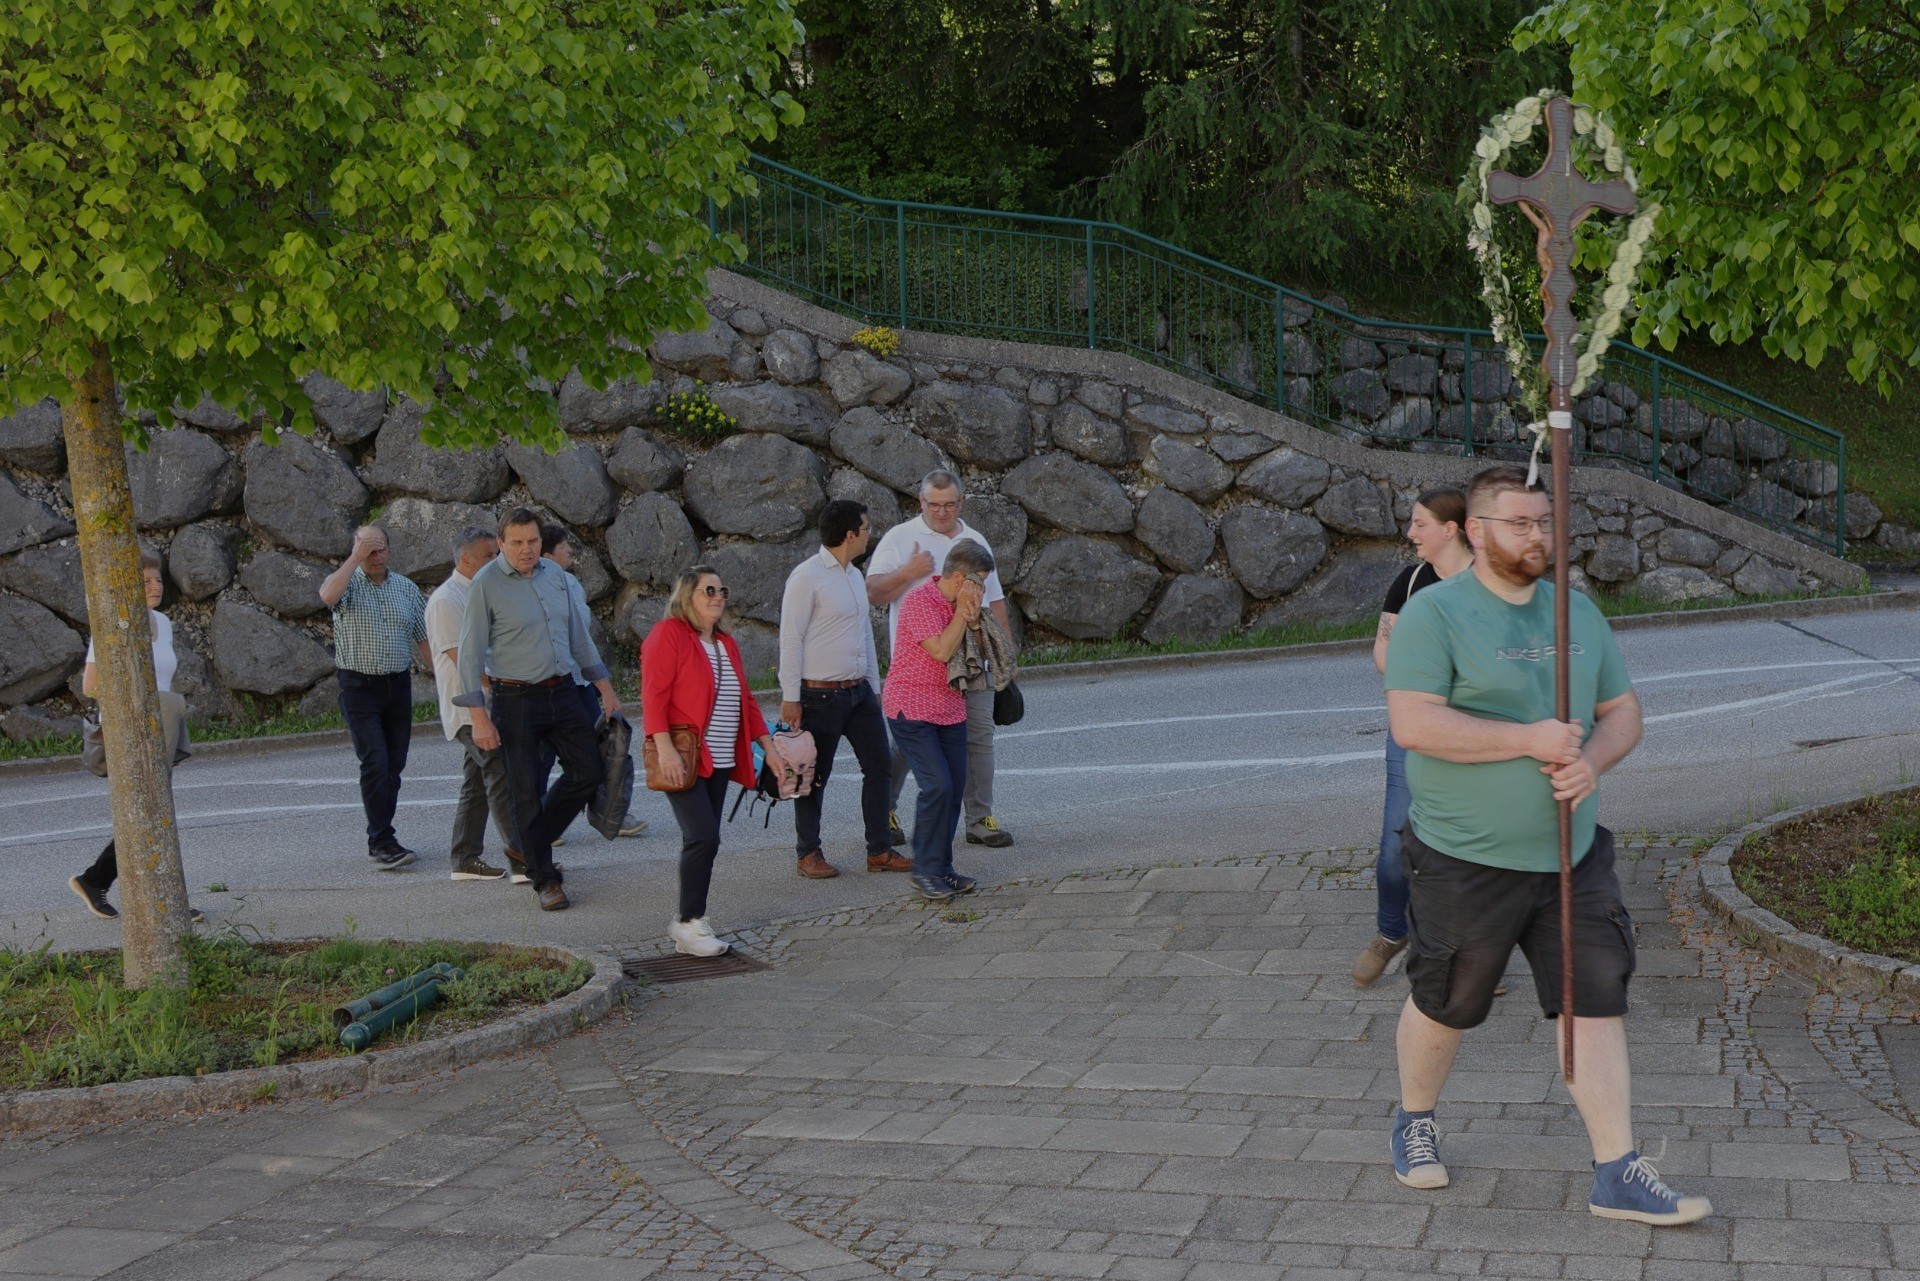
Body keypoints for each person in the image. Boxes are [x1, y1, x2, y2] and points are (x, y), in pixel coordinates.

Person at [1382, 465, 1710, 1225]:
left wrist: (1590, 760)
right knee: (1447, 1001)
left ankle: (1617, 1170)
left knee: (1595, 1000)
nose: (1537, 536)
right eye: (1519, 522)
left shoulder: (1578, 614)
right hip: (1465, 856)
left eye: (1546, 522)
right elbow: (1416, 723)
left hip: (1573, 852)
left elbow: (1623, 711)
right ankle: (1415, 1116)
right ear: (1475, 531)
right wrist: (1527, 738)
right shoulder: (1437, 615)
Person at [454, 508, 620, 912]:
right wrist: (478, 717)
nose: (527, 550)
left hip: (562, 691)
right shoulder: (486, 585)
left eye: (532, 541)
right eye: (517, 543)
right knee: (525, 791)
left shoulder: (557, 576)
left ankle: (529, 843)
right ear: (502, 543)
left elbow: (579, 638)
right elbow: (469, 655)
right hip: (515, 700)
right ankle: (545, 880)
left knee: (589, 771)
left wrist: (606, 689)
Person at [1352, 487, 1473, 986]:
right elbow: (1383, 653)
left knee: (1468, 851)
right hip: (1413, 729)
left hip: (1475, 734)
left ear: (1451, 529)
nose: (1410, 532)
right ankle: (1391, 931)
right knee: (1396, 846)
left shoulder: (1489, 583)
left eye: (1420, 523)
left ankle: (1464, 954)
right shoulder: (1411, 581)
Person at [642, 565, 790, 956]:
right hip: (685, 756)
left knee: (707, 839)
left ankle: (691, 922)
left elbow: (747, 701)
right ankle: (688, 923)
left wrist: (770, 749)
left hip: (720, 758)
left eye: (722, 591)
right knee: (702, 835)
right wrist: (665, 748)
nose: (718, 597)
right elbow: (653, 695)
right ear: (686, 595)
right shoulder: (668, 635)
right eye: (708, 590)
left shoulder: (726, 644)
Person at [866, 469, 1012, 849]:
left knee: (979, 737)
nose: (942, 512)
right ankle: (884, 808)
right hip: (920, 666)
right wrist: (908, 572)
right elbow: (873, 591)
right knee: (907, 745)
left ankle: (980, 818)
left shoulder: (974, 540)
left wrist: (1005, 661)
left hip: (972, 664)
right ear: (921, 501)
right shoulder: (901, 538)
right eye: (934, 504)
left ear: (961, 502)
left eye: (950, 505)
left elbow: (994, 602)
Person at [67, 552, 203, 924]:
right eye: (144, 582)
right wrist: (139, 709)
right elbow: (91, 685)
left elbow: (164, 680)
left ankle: (96, 881)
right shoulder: (113, 625)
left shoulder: (163, 622)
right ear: (126, 587)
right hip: (129, 731)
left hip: (162, 728)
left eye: (157, 580)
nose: (155, 586)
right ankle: (158, 899)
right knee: (149, 813)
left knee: (150, 813)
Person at [778, 499, 907, 879]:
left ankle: (880, 850)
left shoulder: (854, 575)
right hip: (818, 696)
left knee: (880, 766)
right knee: (813, 775)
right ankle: (808, 852)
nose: (870, 535)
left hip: (859, 692)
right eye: (866, 528)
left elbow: (863, 631)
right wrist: (790, 697)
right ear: (849, 535)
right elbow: (791, 639)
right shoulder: (807, 577)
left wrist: (874, 685)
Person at [882, 541, 993, 902]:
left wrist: (974, 622)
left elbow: (976, 653)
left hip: (950, 709)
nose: (982, 591)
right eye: (979, 582)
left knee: (953, 789)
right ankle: (924, 871)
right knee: (938, 786)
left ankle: (942, 868)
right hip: (911, 710)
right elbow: (942, 651)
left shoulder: (958, 604)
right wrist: (964, 615)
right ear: (959, 578)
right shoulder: (920, 602)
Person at [318, 524, 430, 870]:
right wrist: (355, 557)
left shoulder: (406, 589)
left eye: (380, 548)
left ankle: (383, 836)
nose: (375, 555)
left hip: (397, 686)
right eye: (368, 549)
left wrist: (451, 680)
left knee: (394, 766)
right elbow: (327, 596)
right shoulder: (347, 583)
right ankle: (381, 840)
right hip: (359, 688)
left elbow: (425, 641)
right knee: (376, 762)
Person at [539, 520, 644, 843]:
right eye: (564, 546)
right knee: (541, 756)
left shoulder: (572, 584)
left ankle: (610, 812)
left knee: (598, 751)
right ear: (546, 554)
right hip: (546, 685)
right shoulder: (532, 588)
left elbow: (582, 639)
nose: (570, 550)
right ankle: (543, 818)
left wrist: (603, 687)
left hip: (580, 683)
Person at [423, 525, 512, 884]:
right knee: (501, 775)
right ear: (466, 559)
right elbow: (466, 661)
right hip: (468, 709)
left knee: (476, 784)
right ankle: (525, 858)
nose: (497, 561)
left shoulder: (481, 591)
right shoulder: (447, 600)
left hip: (488, 704)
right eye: (489, 556)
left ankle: (464, 857)